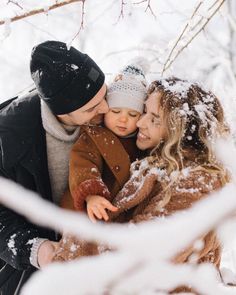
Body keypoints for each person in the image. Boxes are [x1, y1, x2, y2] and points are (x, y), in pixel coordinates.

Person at [0, 40, 108, 295]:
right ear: (61, 110)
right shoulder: (8, 138)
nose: (105, 108)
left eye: (104, 93)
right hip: (28, 274)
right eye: (92, 107)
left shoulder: (115, 116)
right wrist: (37, 250)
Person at [108, 77, 230, 293]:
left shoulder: (195, 183)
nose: (139, 123)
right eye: (144, 111)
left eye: (155, 119)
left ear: (181, 132)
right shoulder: (161, 166)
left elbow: (140, 254)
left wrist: (60, 255)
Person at [61, 59, 148, 223]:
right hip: (87, 209)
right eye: (116, 111)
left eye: (132, 115)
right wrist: (91, 194)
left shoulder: (142, 142)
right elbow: (83, 163)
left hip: (116, 213)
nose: (123, 120)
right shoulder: (94, 136)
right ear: (105, 109)